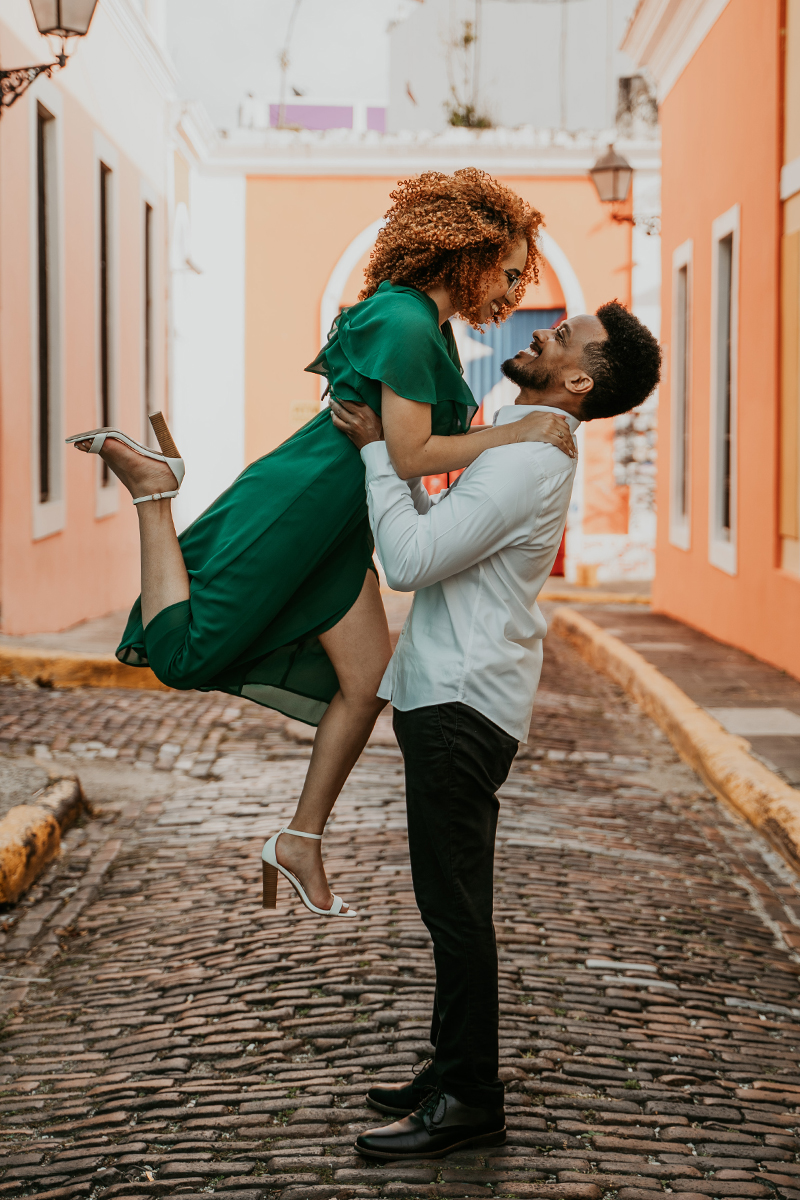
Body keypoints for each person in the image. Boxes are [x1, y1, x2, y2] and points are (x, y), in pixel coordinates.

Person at [66, 169, 578, 918]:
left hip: (346, 520)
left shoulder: (426, 326)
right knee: (183, 656)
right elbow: (408, 454)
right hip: (306, 503)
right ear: (467, 254)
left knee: (370, 682)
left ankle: (302, 838)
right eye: (506, 275)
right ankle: (154, 491)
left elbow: (409, 449)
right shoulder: (403, 320)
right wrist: (519, 428)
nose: (509, 296)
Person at [328, 300, 661, 1158]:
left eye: (564, 337)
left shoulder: (524, 462)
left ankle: (470, 1097)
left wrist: (374, 451)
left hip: (460, 703)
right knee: (451, 904)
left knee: (455, 909)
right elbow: (437, 536)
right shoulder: (516, 442)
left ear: (579, 379)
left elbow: (408, 561)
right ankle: (450, 1068)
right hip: (458, 694)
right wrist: (399, 462)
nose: (542, 332)